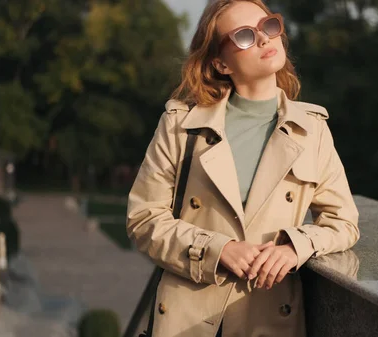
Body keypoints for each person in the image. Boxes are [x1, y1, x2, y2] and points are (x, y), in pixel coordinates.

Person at [126, 1, 360, 336]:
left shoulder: (311, 129)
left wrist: (297, 245)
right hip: (187, 319)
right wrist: (216, 249)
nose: (265, 39)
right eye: (246, 36)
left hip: (267, 316)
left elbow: (343, 222)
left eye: (268, 26)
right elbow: (144, 218)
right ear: (221, 62)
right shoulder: (182, 124)